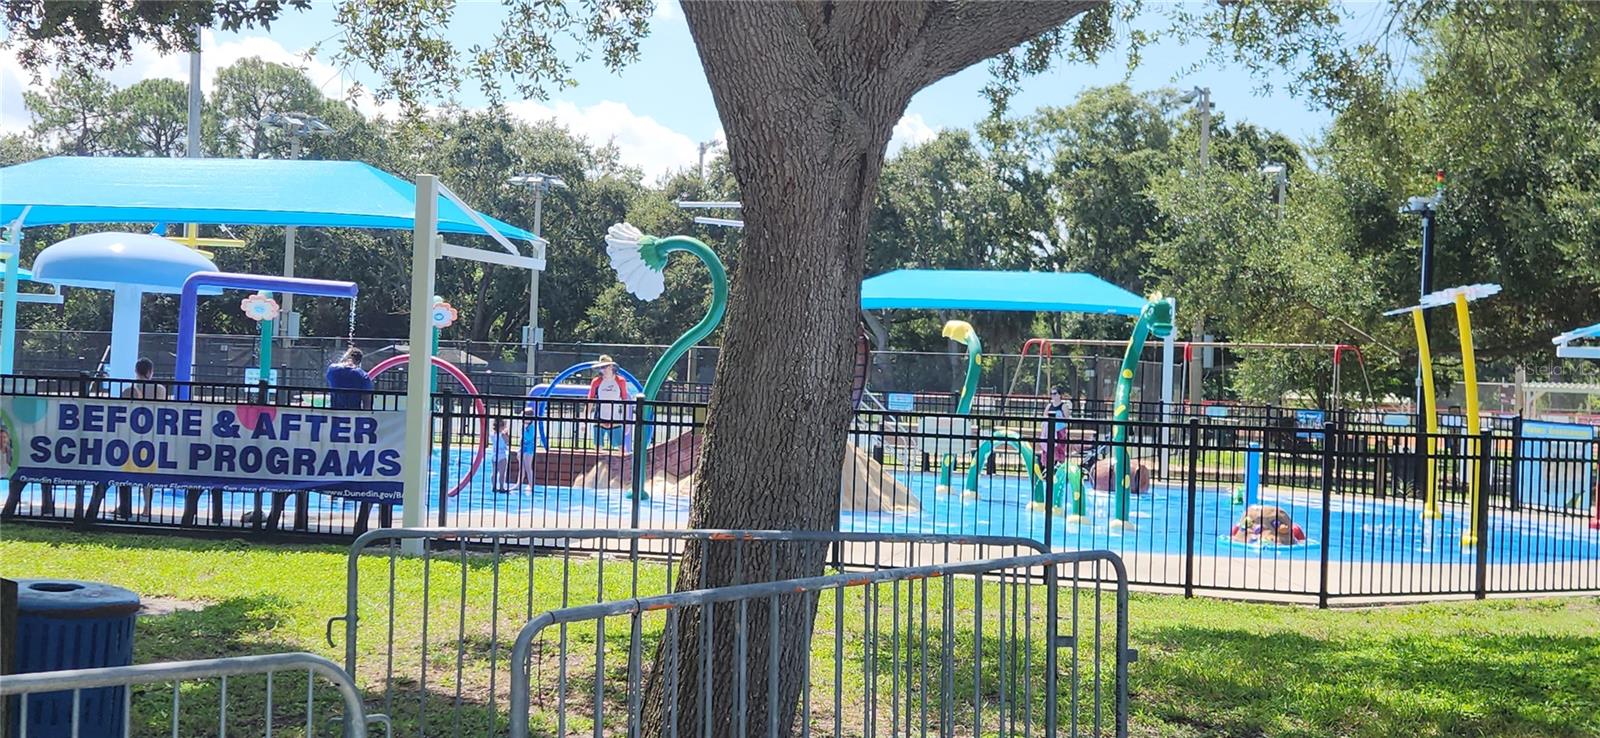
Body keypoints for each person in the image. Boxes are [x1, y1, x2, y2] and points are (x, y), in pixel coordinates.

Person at [120, 357, 167, 516]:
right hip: (152, 434)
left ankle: (124, 507)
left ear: (136, 371)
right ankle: (147, 507)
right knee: (148, 472)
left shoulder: (128, 390)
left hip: (132, 434)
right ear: (150, 372)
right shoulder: (160, 389)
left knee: (126, 471)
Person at [588, 355, 630, 449]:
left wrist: (627, 422)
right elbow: (590, 400)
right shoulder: (596, 381)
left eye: (605, 366)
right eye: (601, 367)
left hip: (615, 419)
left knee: (621, 448)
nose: (603, 370)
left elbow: (625, 401)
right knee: (598, 448)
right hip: (599, 418)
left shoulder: (620, 381)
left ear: (611, 366)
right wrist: (585, 420)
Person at [519, 408, 539, 491]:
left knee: (528, 466)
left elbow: (529, 437)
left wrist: (524, 430)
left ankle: (531, 484)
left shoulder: (531, 427)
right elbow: (522, 438)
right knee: (522, 467)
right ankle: (519, 483)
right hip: (523, 448)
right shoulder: (525, 426)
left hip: (529, 449)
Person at [491, 418, 511, 493]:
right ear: (501, 427)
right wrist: (507, 434)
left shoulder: (492, 434)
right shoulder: (502, 435)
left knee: (494, 472)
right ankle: (501, 487)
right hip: (502, 455)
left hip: (494, 454)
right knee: (502, 473)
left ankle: (494, 486)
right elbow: (507, 441)